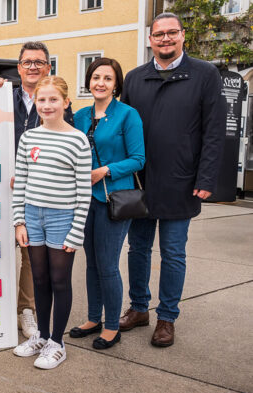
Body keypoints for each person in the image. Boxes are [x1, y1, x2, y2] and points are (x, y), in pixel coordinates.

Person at [118, 13, 225, 347]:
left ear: (182, 36)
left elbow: (214, 132)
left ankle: (166, 317)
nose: (165, 39)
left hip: (182, 181)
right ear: (150, 39)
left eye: (171, 33)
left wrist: (207, 177)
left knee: (173, 253)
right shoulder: (135, 79)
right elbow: (122, 129)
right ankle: (139, 309)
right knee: (137, 250)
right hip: (141, 183)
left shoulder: (205, 75)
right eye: (158, 34)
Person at [0, 41, 74, 339]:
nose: (33, 67)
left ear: (48, 67)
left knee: (30, 257)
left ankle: (26, 311)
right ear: (18, 67)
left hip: (34, 193)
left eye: (39, 62)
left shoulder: (57, 105)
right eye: (27, 62)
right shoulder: (1, 96)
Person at [11, 76, 91, 370]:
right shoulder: (29, 138)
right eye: (41, 100)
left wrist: (76, 230)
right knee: (40, 280)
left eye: (53, 99)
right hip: (32, 216)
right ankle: (41, 337)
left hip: (62, 218)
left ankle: (57, 342)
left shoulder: (77, 140)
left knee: (59, 281)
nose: (46, 105)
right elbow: (21, 183)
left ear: (66, 103)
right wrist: (19, 221)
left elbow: (84, 192)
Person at [69, 58, 145, 350]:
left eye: (108, 78)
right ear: (89, 81)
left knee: (108, 264)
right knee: (91, 262)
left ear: (116, 84)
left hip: (114, 199)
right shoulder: (80, 115)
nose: (100, 82)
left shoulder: (128, 115)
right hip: (83, 199)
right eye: (96, 77)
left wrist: (105, 170)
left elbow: (139, 159)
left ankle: (112, 325)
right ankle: (92, 318)